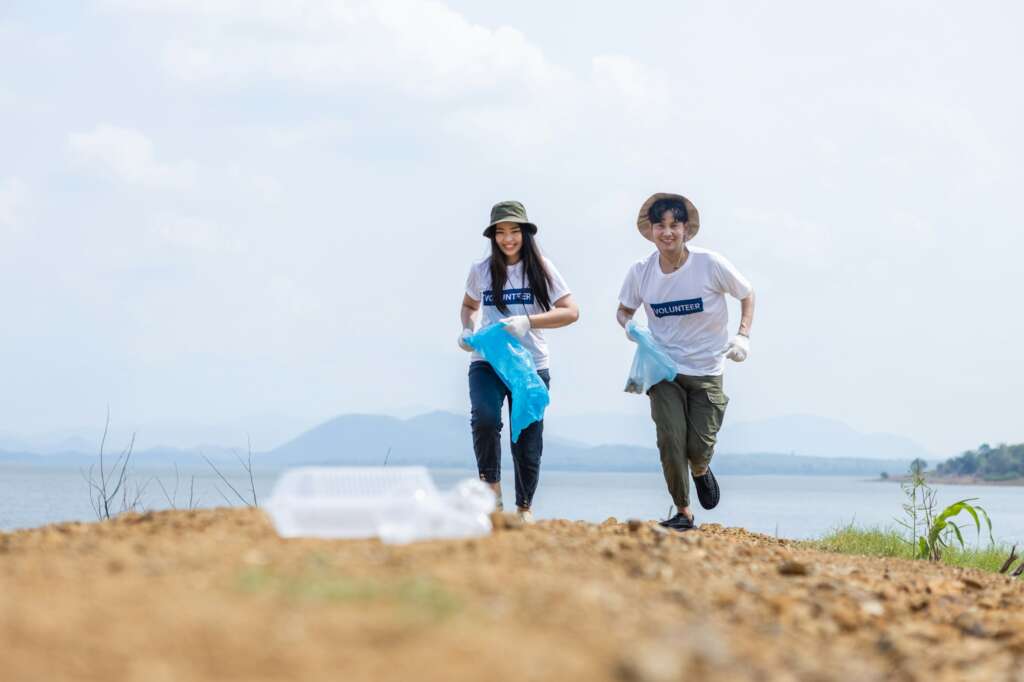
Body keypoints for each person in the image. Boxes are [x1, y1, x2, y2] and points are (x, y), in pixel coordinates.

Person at [616, 193, 755, 531]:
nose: (667, 233)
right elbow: (623, 310)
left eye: (674, 225)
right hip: (663, 369)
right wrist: (630, 326)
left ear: (685, 229)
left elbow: (747, 294)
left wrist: (742, 336)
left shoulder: (710, 264)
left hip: (707, 371)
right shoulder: (641, 272)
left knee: (697, 447)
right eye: (659, 226)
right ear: (650, 231)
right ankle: (683, 511)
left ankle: (701, 469)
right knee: (670, 438)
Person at [458, 201, 580, 523]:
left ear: (525, 233)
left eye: (514, 231)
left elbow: (571, 311)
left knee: (527, 436)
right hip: (488, 359)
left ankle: (524, 508)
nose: (507, 239)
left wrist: (529, 321)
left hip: (531, 364)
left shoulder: (542, 268)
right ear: (493, 236)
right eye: (500, 232)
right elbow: (469, 304)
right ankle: (492, 495)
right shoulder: (481, 270)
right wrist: (468, 328)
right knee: (484, 419)